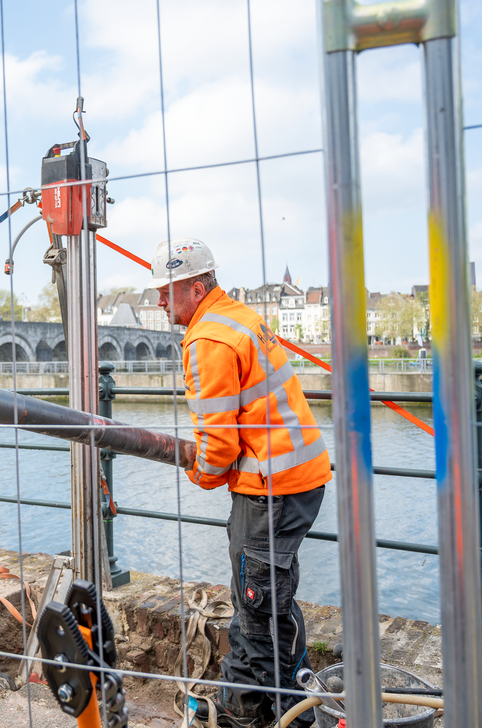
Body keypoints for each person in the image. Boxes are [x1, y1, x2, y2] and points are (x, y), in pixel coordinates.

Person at [151, 238, 331, 728]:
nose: (161, 302)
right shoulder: (238, 317)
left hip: (270, 488)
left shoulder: (208, 340)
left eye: (167, 292)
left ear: (195, 286)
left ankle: (281, 716)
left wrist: (199, 471)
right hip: (295, 479)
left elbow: (218, 449)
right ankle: (252, 707)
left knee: (257, 608)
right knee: (264, 599)